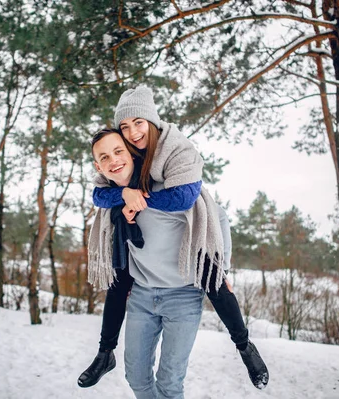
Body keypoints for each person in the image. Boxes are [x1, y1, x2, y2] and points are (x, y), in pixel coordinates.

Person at [80, 87, 269, 394]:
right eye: (124, 128)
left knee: (170, 382)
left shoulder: (170, 178)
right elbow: (97, 194)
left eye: (138, 123)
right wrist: (124, 196)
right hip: (141, 295)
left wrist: (223, 264)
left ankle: (246, 348)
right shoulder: (117, 197)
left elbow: (214, 214)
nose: (131, 133)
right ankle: (105, 353)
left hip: (183, 295)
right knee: (137, 380)